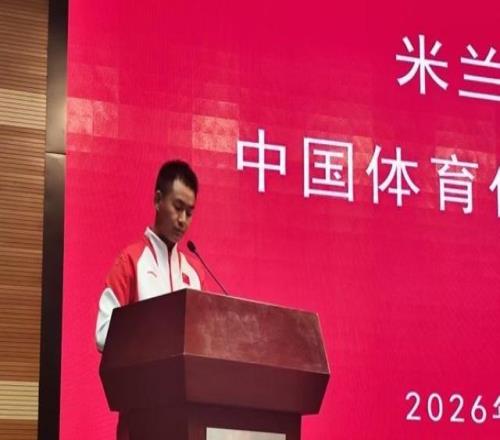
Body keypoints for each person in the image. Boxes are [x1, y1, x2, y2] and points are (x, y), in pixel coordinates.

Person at [95, 159, 204, 351]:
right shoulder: (130, 261)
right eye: (178, 207)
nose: (182, 220)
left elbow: (202, 338)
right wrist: (152, 331)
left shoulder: (195, 272)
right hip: (141, 371)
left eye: (189, 213)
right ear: (158, 200)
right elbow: (103, 333)